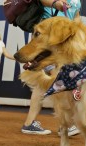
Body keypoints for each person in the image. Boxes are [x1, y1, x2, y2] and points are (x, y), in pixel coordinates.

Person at [21, 0, 82, 135]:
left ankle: (29, 123)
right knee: (58, 80)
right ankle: (65, 125)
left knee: (45, 82)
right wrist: (55, 4)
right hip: (47, 40)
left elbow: (77, 18)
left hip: (63, 43)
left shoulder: (77, 1)